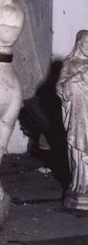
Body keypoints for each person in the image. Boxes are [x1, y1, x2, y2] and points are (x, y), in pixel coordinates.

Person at [56, 30, 88, 207]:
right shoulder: (70, 63)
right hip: (79, 116)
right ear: (78, 44)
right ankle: (81, 185)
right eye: (85, 43)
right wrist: (77, 79)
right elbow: (60, 89)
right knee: (81, 151)